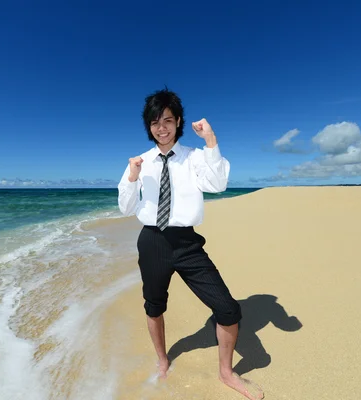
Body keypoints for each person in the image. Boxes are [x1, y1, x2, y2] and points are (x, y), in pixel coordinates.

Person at [117, 88, 263, 399]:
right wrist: (132, 177)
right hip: (152, 242)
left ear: (178, 121)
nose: (162, 127)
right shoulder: (139, 162)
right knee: (154, 306)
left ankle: (226, 371)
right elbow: (126, 208)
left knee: (227, 309)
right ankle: (162, 359)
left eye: (167, 120)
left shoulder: (194, 158)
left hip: (187, 244)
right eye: (155, 122)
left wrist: (210, 140)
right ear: (149, 126)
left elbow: (217, 184)